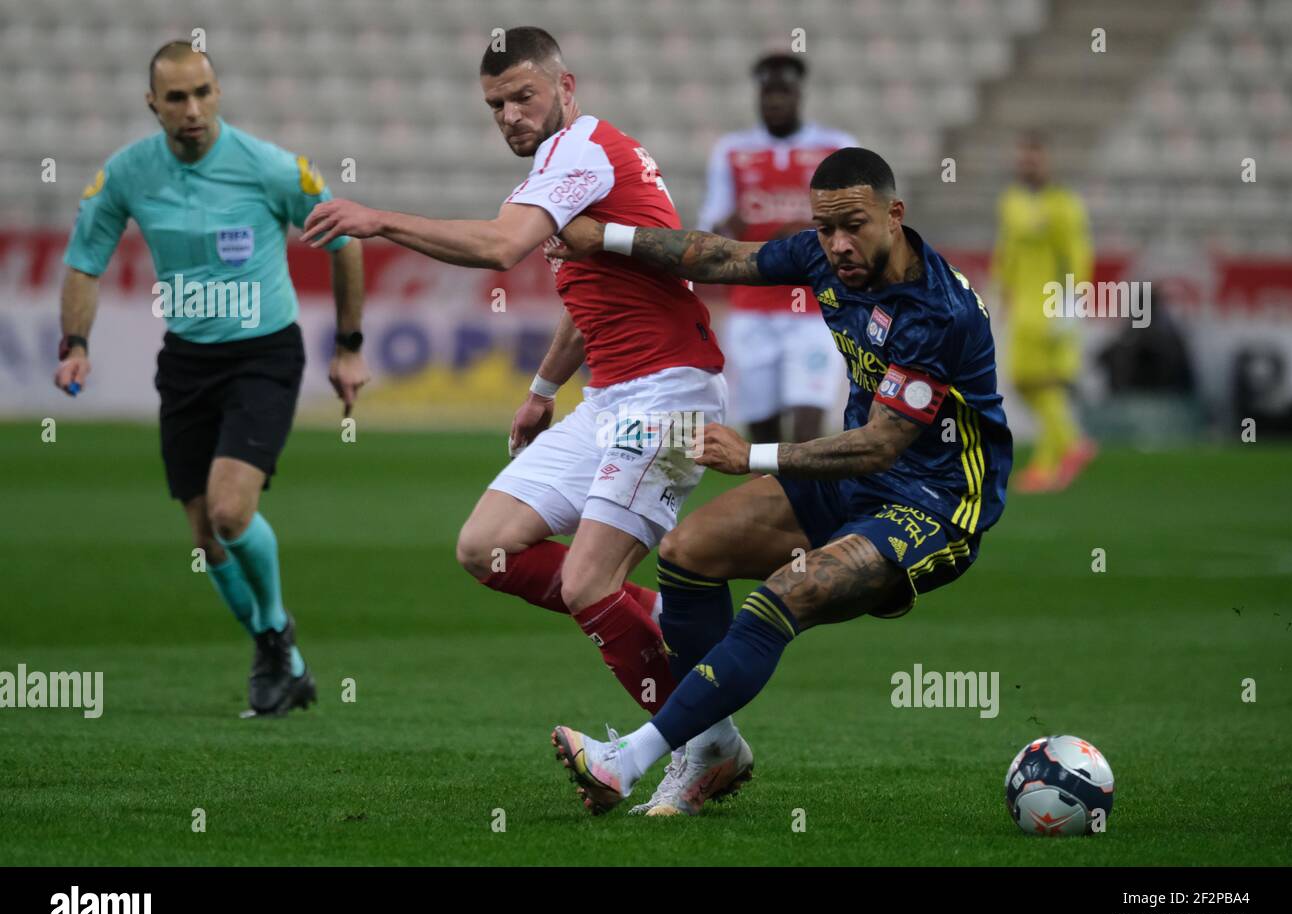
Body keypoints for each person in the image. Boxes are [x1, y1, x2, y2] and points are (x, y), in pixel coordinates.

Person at [300, 27, 752, 813]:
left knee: (584, 581)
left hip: (670, 395)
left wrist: (378, 219)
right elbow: (593, 298)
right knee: (485, 547)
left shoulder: (581, 152)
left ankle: (701, 746)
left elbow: (503, 248)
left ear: (565, 87)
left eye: (522, 96)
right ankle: (662, 638)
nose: (509, 114)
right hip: (610, 398)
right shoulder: (567, 168)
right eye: (495, 104)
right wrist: (544, 388)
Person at [547, 147, 1012, 815]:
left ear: (895, 215)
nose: (838, 245)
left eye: (854, 225)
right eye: (825, 229)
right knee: (688, 554)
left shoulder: (937, 312)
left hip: (932, 504)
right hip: (852, 480)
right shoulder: (824, 256)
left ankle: (631, 759)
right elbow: (719, 256)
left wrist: (755, 456)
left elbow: (883, 443)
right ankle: (709, 751)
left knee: (783, 594)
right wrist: (609, 238)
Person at [53, 41, 369, 717]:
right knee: (203, 535)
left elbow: (346, 242)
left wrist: (349, 346)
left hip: (264, 354)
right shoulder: (128, 174)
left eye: (202, 92)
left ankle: (277, 633)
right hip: (188, 360)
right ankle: (283, 660)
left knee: (230, 512)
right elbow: (85, 261)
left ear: (217, 93)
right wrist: (76, 344)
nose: (192, 109)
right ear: (153, 105)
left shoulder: (269, 167)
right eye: (176, 98)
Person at [696, 54, 858, 444]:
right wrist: (725, 227)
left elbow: (859, 223)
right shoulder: (732, 151)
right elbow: (710, 228)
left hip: (816, 308)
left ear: (799, 94)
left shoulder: (836, 149)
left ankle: (802, 504)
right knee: (763, 432)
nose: (775, 102)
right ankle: (771, 500)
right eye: (768, 92)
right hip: (753, 307)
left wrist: (812, 229)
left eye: (783, 91)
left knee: (807, 426)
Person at [991, 131, 1095, 492]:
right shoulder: (1012, 201)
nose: (1027, 164)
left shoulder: (1064, 204)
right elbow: (1007, 251)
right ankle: (1053, 461)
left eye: (1033, 158)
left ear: (1047, 161)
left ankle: (1068, 446)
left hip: (1050, 304)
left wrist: (1073, 300)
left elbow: (1078, 252)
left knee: (1037, 380)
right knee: (1029, 381)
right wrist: (1001, 292)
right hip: (1022, 304)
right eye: (1023, 158)